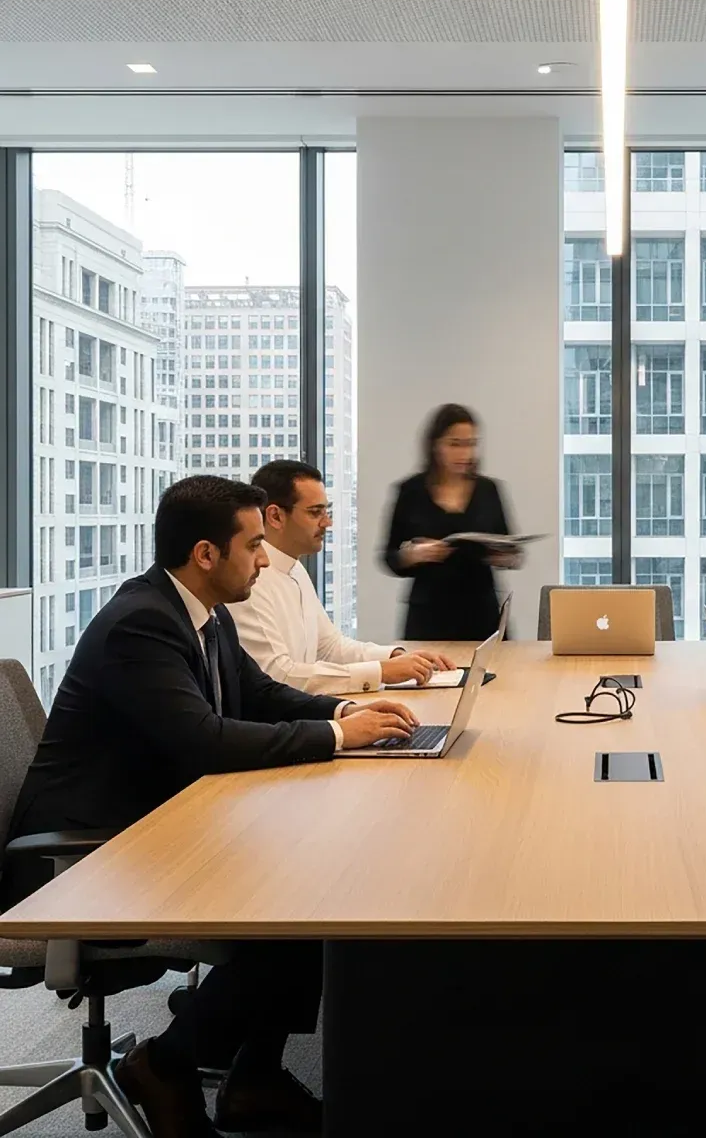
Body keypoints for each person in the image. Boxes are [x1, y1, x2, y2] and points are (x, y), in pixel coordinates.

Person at [2, 476, 423, 1138]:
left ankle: (252, 1081)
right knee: (297, 907)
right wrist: (339, 737)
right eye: (252, 545)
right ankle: (166, 1066)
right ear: (205, 553)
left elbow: (260, 694)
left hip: (150, 828)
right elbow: (204, 739)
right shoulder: (141, 624)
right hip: (84, 859)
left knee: (311, 888)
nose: (263, 559)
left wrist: (346, 710)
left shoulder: (204, 612)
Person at [227, 459, 455, 693]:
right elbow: (279, 675)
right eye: (315, 512)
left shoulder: (294, 567)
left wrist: (395, 656)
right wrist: (381, 671)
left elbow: (329, 647)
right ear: (275, 516)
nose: (327, 522)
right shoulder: (250, 581)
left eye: (326, 511)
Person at [383, 403, 519, 640]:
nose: (465, 453)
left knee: (495, 665)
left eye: (471, 444)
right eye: (455, 444)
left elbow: (511, 549)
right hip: (428, 616)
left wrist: (504, 556)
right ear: (435, 445)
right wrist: (414, 555)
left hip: (482, 613)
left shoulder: (488, 490)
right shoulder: (411, 491)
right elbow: (389, 556)